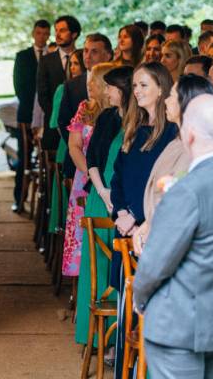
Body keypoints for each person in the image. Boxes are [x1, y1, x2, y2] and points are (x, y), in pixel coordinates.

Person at [133, 94, 213, 379]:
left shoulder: (187, 191)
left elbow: (155, 263)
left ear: (190, 135)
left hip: (179, 324)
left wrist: (140, 299)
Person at [110, 62, 177, 377]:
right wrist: (121, 213)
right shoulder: (132, 128)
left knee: (153, 313)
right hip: (127, 227)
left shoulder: (174, 135)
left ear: (162, 89)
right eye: (134, 86)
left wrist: (143, 222)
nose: (136, 91)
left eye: (143, 85)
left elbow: (169, 185)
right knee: (128, 309)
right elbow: (118, 177)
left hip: (155, 231)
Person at [75, 65, 134, 347]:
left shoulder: (142, 120)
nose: (106, 92)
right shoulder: (108, 117)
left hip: (129, 200)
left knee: (121, 266)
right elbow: (93, 157)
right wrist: (103, 191)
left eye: (110, 87)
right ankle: (97, 338)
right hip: (101, 197)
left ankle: (120, 339)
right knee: (98, 263)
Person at [132, 74, 213, 255]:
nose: (166, 101)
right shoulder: (177, 141)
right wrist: (147, 224)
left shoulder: (195, 147)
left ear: (186, 102)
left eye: (171, 96)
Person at [61, 62, 115, 279]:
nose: (88, 83)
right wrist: (90, 173)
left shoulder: (116, 112)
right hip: (84, 176)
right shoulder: (85, 107)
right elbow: (74, 146)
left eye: (93, 80)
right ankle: (83, 277)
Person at [45, 49, 86, 250]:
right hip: (68, 145)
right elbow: (58, 122)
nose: (74, 68)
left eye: (77, 63)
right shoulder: (65, 88)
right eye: (71, 64)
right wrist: (73, 142)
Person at [58, 33, 113, 178]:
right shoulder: (71, 85)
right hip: (78, 160)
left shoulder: (116, 83)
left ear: (107, 55)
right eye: (86, 50)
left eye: (94, 51)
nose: (87, 56)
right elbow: (63, 120)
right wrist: (79, 146)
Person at [11, 19, 50, 212]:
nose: (42, 37)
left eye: (45, 33)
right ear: (33, 34)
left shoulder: (52, 56)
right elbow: (19, 86)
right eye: (38, 33)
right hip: (26, 114)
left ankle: (46, 202)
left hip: (47, 117)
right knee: (23, 158)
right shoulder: (23, 56)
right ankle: (19, 199)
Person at [37, 15, 81, 151]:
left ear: (74, 34)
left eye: (62, 30)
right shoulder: (46, 61)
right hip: (54, 125)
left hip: (80, 125)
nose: (57, 34)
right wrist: (59, 118)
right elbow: (42, 95)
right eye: (56, 30)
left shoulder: (83, 57)